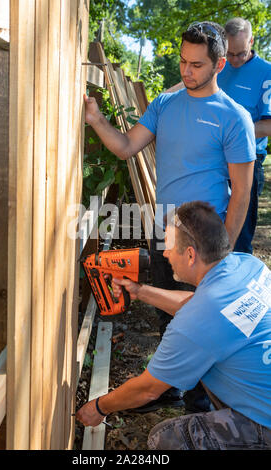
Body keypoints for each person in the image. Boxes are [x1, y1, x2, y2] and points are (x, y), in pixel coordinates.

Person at [84, 21, 256, 412]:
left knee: (204, 326)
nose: (186, 71)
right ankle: (173, 389)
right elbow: (128, 147)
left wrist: (222, 250)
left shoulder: (234, 118)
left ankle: (208, 408)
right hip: (167, 230)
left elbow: (242, 192)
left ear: (219, 65)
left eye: (196, 65)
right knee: (169, 314)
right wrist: (96, 120)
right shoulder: (164, 104)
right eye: (182, 61)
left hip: (207, 239)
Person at [76, 201, 271, 450]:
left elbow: (148, 389)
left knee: (167, 439)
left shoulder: (199, 320)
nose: (165, 253)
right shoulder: (247, 266)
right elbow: (197, 305)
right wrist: (140, 291)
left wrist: (99, 407)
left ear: (190, 255)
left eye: (168, 246)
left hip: (266, 423)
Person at [217, 17, 271, 254]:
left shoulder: (266, 73)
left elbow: (268, 126)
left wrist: (232, 132)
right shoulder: (219, 65)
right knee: (211, 234)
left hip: (247, 163)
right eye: (229, 54)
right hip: (214, 162)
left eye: (240, 53)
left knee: (238, 239)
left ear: (251, 41)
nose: (234, 60)